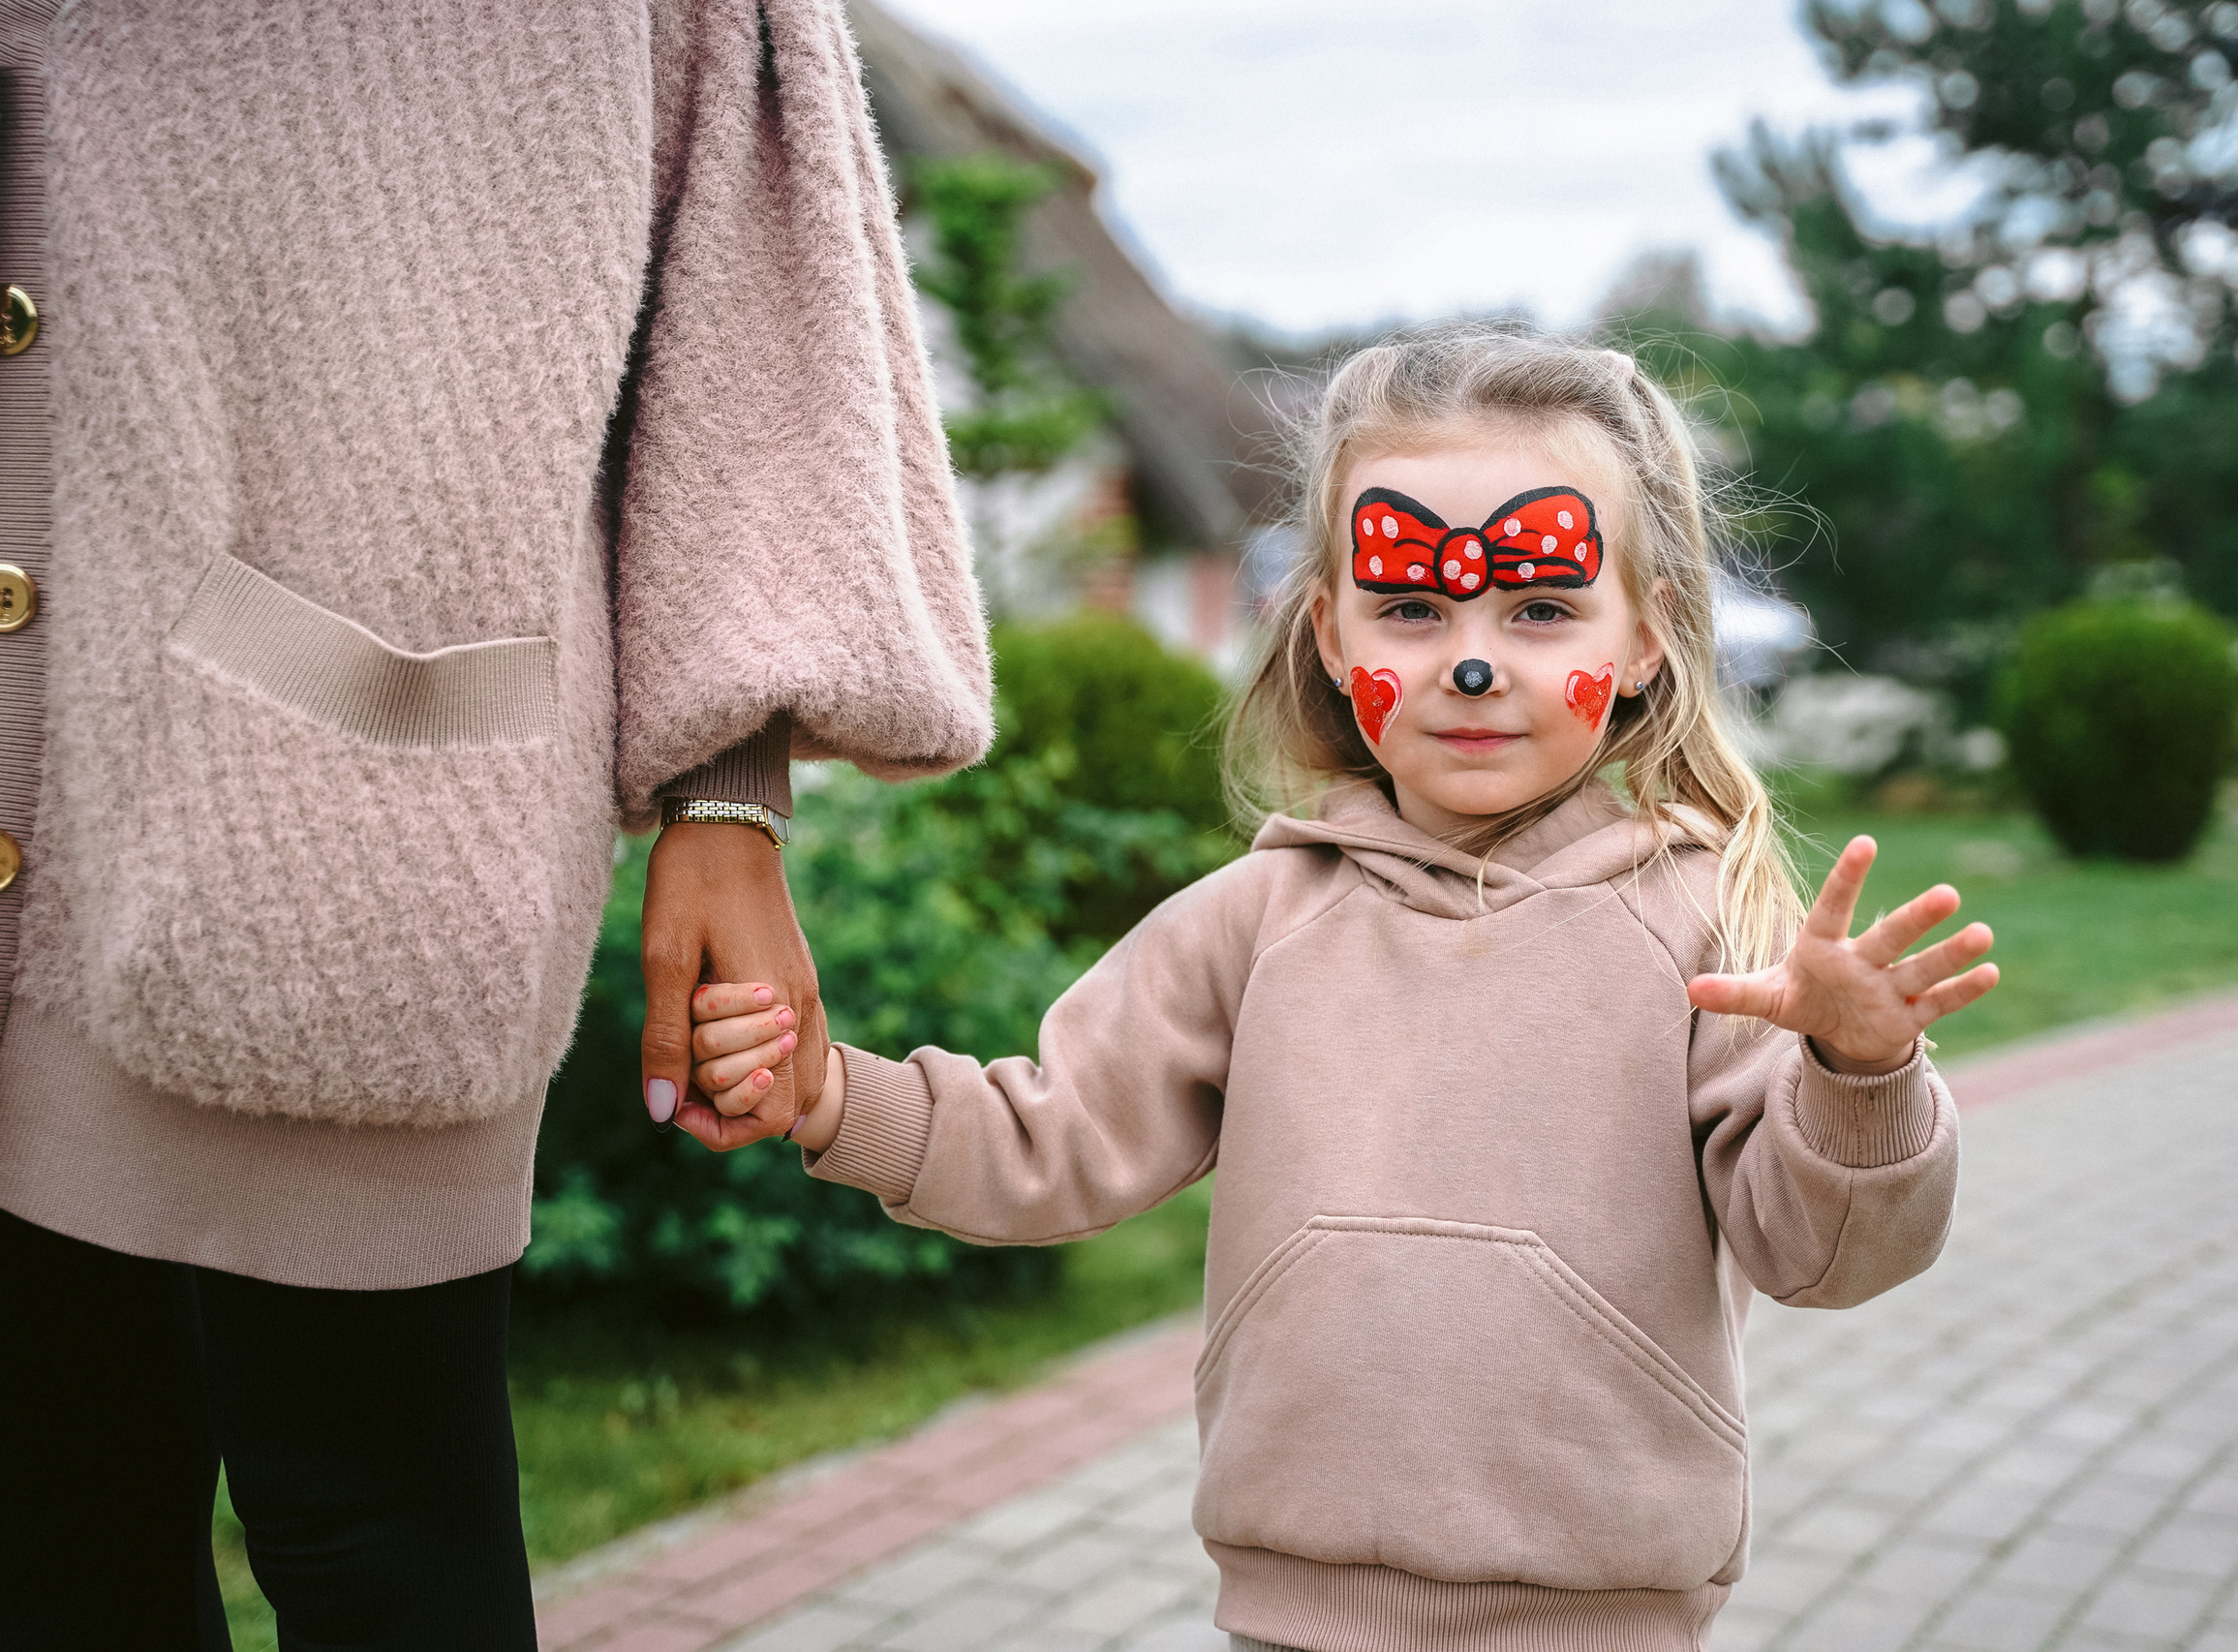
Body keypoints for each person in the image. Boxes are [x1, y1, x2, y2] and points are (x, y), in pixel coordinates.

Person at [682, 326, 1995, 1651]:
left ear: (1647, 637)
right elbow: (1050, 1136)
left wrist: (1862, 1073)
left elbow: (1829, 1256)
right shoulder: (1254, 923)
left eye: (1540, 608)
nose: (1470, 662)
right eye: (1412, 607)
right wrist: (830, 1093)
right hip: (1287, 1614)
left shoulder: (1709, 933)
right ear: (1328, 626)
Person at [0, 4, 988, 1647]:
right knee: (50, 1537)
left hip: (325, 813)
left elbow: (747, 246)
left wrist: (728, 788)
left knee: (378, 1529)